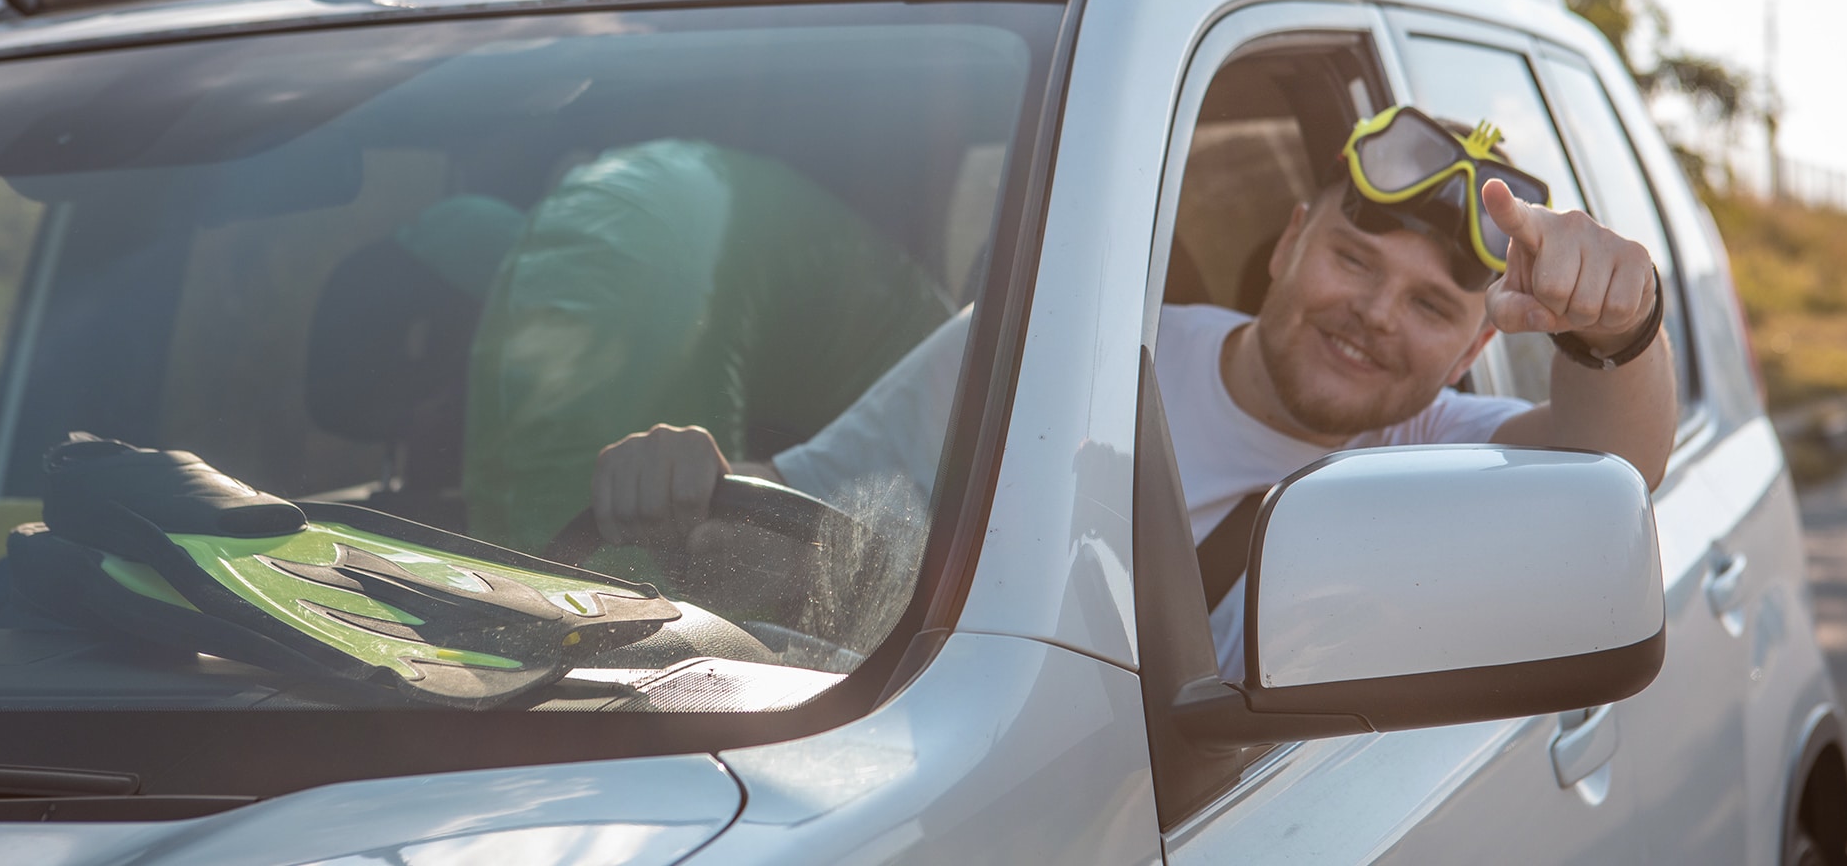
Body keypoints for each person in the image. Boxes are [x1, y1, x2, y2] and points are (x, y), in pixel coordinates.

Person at [588, 106, 1677, 678]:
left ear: (1468, 351)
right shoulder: (1061, 351)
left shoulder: (1437, 446)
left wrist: (1621, 333)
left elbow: (1610, 475)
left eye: (1435, 307)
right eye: (1355, 258)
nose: (1379, 315)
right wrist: (692, 484)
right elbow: (798, 504)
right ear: (1289, 243)